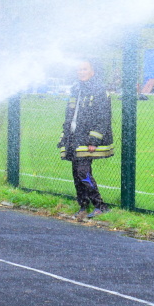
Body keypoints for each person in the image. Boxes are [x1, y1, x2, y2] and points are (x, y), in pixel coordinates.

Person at [57, 59, 114, 219]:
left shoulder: (99, 90)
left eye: (84, 69)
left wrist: (94, 140)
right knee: (76, 172)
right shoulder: (76, 89)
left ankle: (100, 205)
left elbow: (103, 118)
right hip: (74, 137)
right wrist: (64, 135)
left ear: (92, 71)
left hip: (87, 139)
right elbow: (69, 115)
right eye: (79, 69)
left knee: (83, 172)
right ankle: (83, 206)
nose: (81, 72)